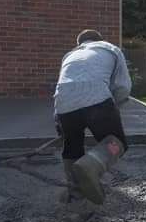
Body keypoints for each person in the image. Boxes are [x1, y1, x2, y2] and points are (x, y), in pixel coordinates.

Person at [53, 30, 131, 205]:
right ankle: (90, 166)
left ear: (80, 43)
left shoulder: (70, 55)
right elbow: (122, 86)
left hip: (63, 105)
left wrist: (59, 120)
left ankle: (75, 191)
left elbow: (62, 86)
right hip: (97, 100)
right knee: (117, 143)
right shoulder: (110, 49)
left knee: (72, 145)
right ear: (99, 40)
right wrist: (114, 105)